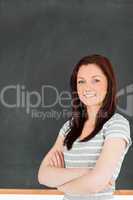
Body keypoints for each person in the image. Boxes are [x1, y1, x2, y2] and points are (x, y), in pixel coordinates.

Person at [38, 54, 132, 200]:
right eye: (81, 81)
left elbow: (96, 183)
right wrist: (87, 172)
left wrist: (61, 186)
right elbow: (43, 175)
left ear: (109, 84)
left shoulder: (117, 124)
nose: (87, 87)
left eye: (96, 80)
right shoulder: (69, 127)